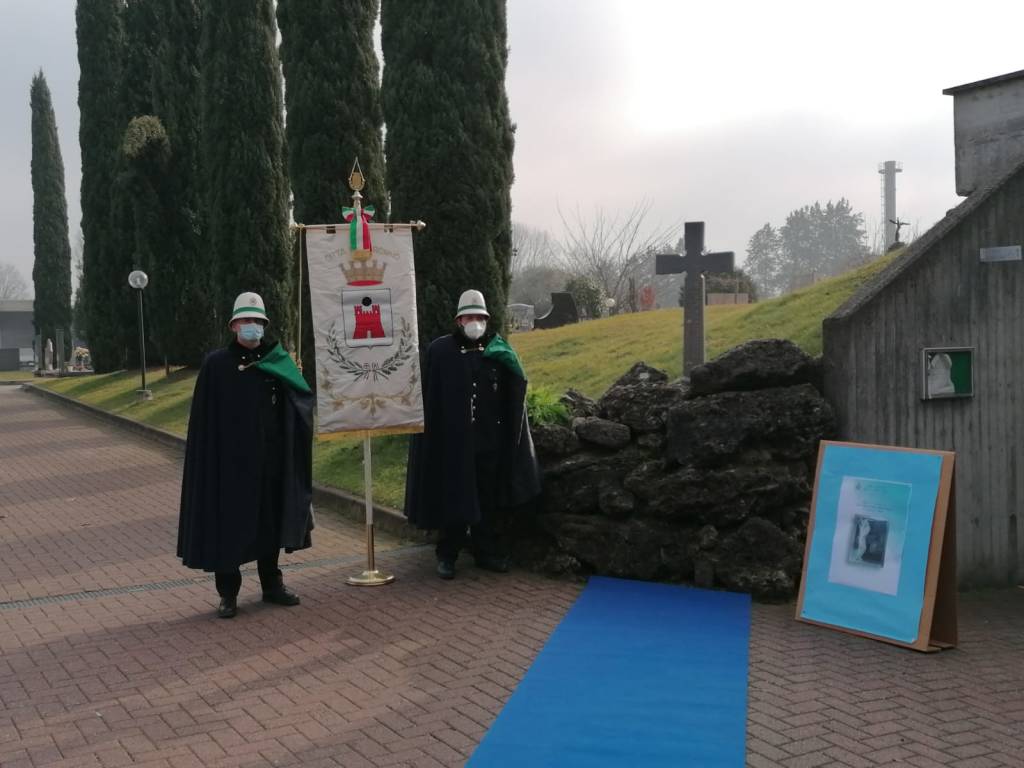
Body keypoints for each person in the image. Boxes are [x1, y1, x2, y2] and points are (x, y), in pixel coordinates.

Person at [178, 291, 315, 618]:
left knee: (270, 524)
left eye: (257, 321)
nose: (251, 326)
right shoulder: (217, 365)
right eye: (245, 321)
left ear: (264, 325)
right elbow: (204, 421)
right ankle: (228, 594)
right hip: (230, 465)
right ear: (233, 326)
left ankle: (272, 585)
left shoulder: (278, 362)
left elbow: (302, 403)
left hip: (272, 461)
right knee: (229, 528)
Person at [405, 289, 541, 579]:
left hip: (487, 442)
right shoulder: (440, 352)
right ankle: (447, 555)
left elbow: (511, 394)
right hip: (452, 444)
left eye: (480, 317)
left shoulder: (497, 352)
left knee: (486, 500)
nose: (475, 322)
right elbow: (429, 397)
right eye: (470, 317)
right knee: (453, 498)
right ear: (458, 320)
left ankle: (485, 552)